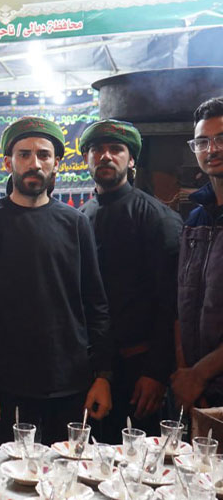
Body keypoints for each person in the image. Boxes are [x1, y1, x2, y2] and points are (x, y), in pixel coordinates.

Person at [0, 116, 113, 445]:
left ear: (56, 163)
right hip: (4, 386)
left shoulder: (76, 223)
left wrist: (103, 376)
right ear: (8, 163)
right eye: (24, 154)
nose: (34, 163)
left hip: (70, 383)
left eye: (43, 155)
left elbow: (95, 305)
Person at [79, 120, 182, 439]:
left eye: (116, 149)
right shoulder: (79, 217)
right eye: (97, 150)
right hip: (91, 369)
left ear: (132, 159)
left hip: (140, 370)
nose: (106, 156)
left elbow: (171, 302)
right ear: (86, 159)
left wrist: (156, 372)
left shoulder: (157, 218)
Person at [172, 97, 223, 410]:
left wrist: (200, 374)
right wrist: (185, 374)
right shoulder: (195, 219)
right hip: (195, 390)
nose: (212, 149)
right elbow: (181, 300)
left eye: (221, 139)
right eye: (202, 142)